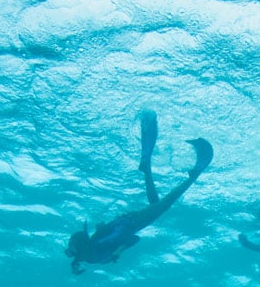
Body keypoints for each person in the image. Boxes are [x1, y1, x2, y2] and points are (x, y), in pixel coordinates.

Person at [66, 110, 213, 274]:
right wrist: (117, 249)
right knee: (157, 204)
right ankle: (146, 168)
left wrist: (117, 250)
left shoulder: (93, 252)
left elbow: (130, 239)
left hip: (134, 222)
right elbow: (128, 239)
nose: (78, 257)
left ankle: (193, 176)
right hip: (130, 222)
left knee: (164, 205)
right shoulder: (92, 254)